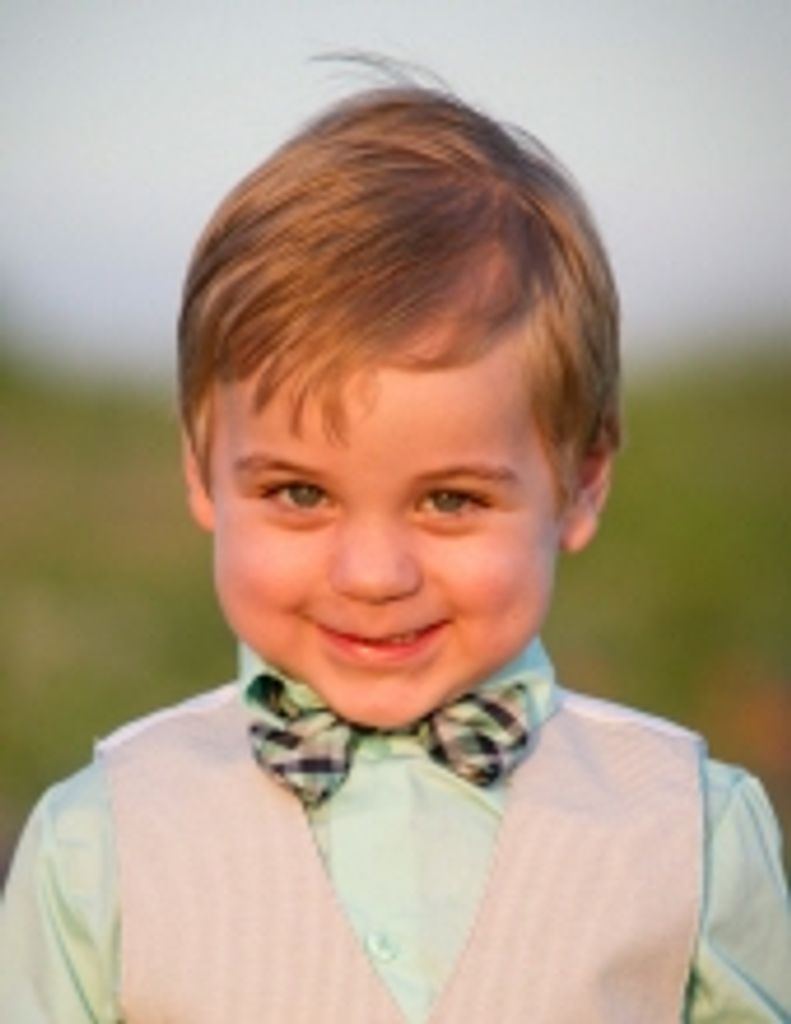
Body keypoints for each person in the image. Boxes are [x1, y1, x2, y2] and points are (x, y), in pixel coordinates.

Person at [1, 76, 789, 1023]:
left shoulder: (690, 832)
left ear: (581, 482)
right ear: (203, 469)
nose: (373, 576)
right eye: (299, 494)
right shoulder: (99, 841)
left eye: (450, 501)